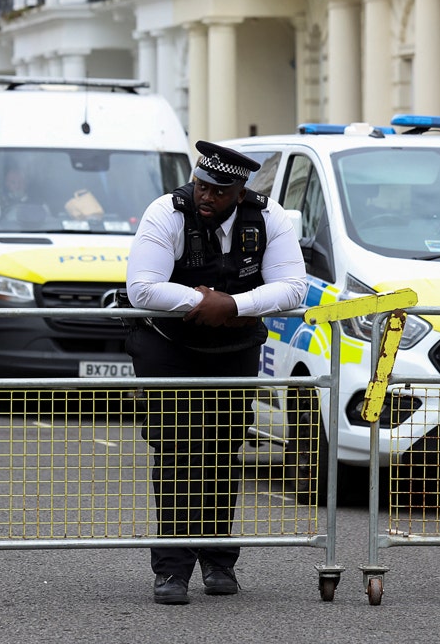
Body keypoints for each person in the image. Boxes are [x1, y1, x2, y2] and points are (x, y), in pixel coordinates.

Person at [126, 140, 305, 605]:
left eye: (219, 191)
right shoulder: (166, 211)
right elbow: (142, 289)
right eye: (202, 186)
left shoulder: (269, 217)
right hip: (169, 348)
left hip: (234, 348)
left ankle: (219, 561)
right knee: (177, 449)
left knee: (223, 451)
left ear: (240, 192)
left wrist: (234, 305)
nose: (207, 197)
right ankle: (172, 570)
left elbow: (293, 288)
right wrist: (201, 302)